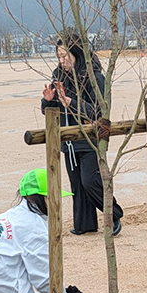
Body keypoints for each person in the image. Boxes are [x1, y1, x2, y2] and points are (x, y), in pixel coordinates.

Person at [41, 33, 123, 236]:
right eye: (59, 57)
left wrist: (71, 102)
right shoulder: (58, 75)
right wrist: (49, 100)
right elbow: (49, 111)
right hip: (68, 139)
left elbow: (99, 111)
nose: (62, 61)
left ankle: (114, 215)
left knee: (90, 181)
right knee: (77, 184)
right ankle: (84, 224)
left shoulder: (94, 77)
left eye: (65, 56)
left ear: (77, 54)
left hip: (90, 138)